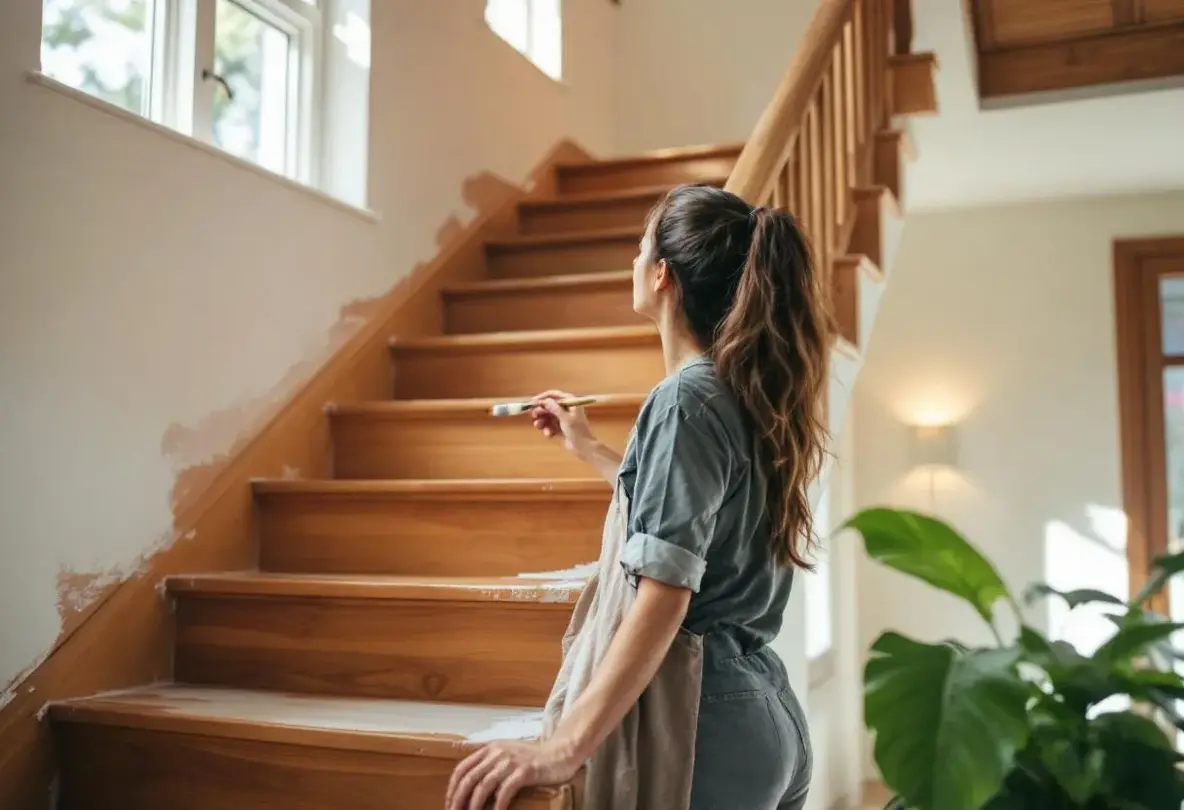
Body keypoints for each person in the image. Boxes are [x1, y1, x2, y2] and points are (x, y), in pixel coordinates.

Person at [446, 183, 831, 810]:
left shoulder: (686, 399)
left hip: (707, 716)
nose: (630, 263)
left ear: (662, 277)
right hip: (764, 709)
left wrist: (565, 745)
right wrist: (589, 449)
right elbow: (685, 523)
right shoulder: (741, 391)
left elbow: (666, 592)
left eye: (638, 250)